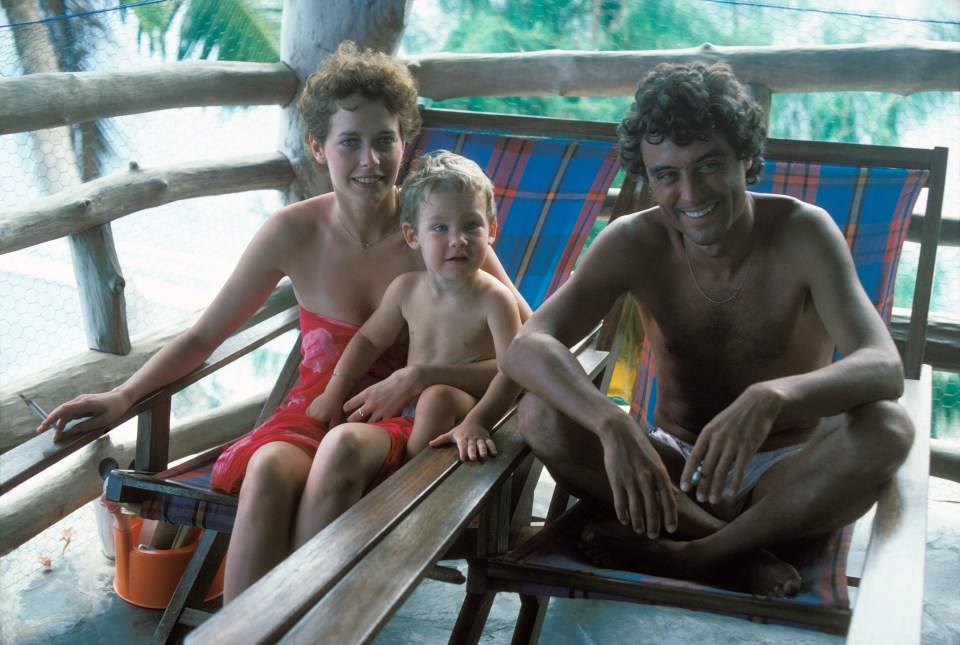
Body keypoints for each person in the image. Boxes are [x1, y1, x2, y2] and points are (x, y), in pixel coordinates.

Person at [37, 41, 530, 602]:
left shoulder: (441, 234)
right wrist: (123, 396)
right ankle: (247, 629)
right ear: (318, 148)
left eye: (384, 140)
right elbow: (204, 334)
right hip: (311, 411)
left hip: (405, 424)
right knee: (269, 468)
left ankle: (300, 621)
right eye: (349, 142)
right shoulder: (292, 233)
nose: (369, 160)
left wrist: (420, 377)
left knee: (340, 452)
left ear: (406, 143)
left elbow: (528, 346)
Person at [500, 61, 914, 597]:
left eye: (709, 164)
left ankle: (699, 555)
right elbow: (526, 345)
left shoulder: (802, 232)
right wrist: (610, 422)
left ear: (746, 159)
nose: (691, 193)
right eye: (667, 175)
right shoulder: (634, 241)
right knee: (540, 412)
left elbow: (883, 366)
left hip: (787, 480)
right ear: (649, 179)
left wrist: (773, 397)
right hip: (674, 471)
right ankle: (734, 553)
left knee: (887, 428)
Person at [308, 150, 523, 462]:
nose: (457, 240)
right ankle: (371, 482)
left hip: (467, 407)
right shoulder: (406, 288)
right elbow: (369, 341)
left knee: (437, 397)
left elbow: (512, 371)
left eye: (471, 225)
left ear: (490, 231)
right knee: (345, 432)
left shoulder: (495, 298)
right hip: (406, 407)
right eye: (440, 228)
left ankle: (408, 487)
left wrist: (478, 421)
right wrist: (335, 390)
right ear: (412, 236)